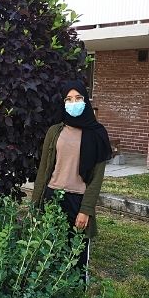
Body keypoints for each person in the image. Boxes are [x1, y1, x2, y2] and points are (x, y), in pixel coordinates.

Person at [31, 79, 113, 281]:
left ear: (85, 100)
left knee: (76, 254)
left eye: (78, 98)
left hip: (78, 200)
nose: (73, 102)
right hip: (52, 196)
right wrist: (35, 204)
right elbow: (44, 170)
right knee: (50, 250)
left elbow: (96, 179)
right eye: (68, 99)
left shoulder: (97, 134)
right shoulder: (55, 131)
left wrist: (86, 210)